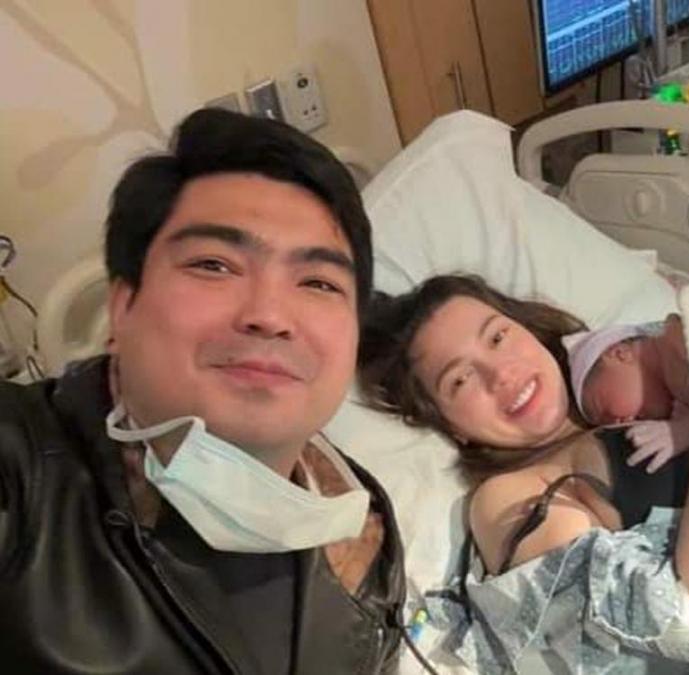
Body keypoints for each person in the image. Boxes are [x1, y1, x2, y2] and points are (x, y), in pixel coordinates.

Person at [0, 109, 406, 674]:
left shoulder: (362, 535)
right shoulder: (22, 478)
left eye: (318, 282)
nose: (270, 315)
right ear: (122, 306)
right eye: (214, 265)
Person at [359, 274, 689, 673]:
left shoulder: (637, 379)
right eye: (460, 379)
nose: (500, 375)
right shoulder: (510, 495)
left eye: (497, 337)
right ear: (450, 425)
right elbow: (675, 626)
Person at [563, 316, 689, 474]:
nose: (619, 424)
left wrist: (686, 430)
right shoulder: (683, 408)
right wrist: (686, 429)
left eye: (604, 410)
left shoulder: (678, 336)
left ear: (619, 353)